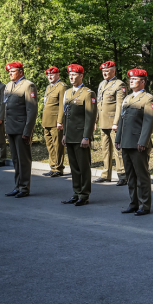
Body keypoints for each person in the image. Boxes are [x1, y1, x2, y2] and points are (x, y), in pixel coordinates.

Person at [116, 68, 153, 215]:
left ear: (143, 81)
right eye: (130, 79)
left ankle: (144, 205)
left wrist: (143, 141)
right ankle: (133, 203)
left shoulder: (148, 99)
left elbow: (148, 122)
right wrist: (118, 138)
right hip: (126, 142)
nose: (131, 80)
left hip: (138, 143)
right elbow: (122, 120)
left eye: (135, 79)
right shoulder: (127, 98)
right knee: (130, 176)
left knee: (141, 175)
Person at [58, 64, 96, 206]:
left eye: (74, 75)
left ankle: (84, 195)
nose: (71, 77)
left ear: (81, 76)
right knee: (74, 167)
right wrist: (64, 135)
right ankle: (76, 192)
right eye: (70, 75)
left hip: (81, 136)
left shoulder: (88, 93)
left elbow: (90, 117)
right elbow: (66, 116)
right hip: (70, 136)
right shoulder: (67, 93)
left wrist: (86, 137)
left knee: (83, 166)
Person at [2, 62, 38, 198]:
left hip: (21, 128)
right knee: (16, 160)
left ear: (21, 72)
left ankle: (24, 187)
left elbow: (32, 110)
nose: (10, 73)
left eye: (13, 71)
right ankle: (17, 186)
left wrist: (27, 131)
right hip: (11, 128)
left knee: (23, 160)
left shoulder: (28, 86)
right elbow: (6, 108)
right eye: (9, 71)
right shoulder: (9, 85)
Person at [95, 61, 126, 184]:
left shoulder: (119, 84)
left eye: (107, 71)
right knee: (105, 149)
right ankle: (105, 174)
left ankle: (122, 174)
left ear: (113, 71)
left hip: (114, 122)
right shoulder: (102, 84)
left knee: (118, 149)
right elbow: (99, 103)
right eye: (103, 71)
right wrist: (96, 120)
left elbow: (120, 105)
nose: (105, 73)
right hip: (103, 121)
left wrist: (116, 122)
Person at [41, 66, 67, 177]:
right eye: (48, 75)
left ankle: (59, 168)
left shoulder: (62, 87)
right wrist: (43, 121)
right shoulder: (49, 87)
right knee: (50, 145)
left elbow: (62, 105)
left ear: (58, 75)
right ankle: (52, 167)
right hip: (47, 121)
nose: (50, 77)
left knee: (58, 146)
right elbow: (46, 105)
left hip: (56, 121)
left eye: (52, 75)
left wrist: (60, 121)